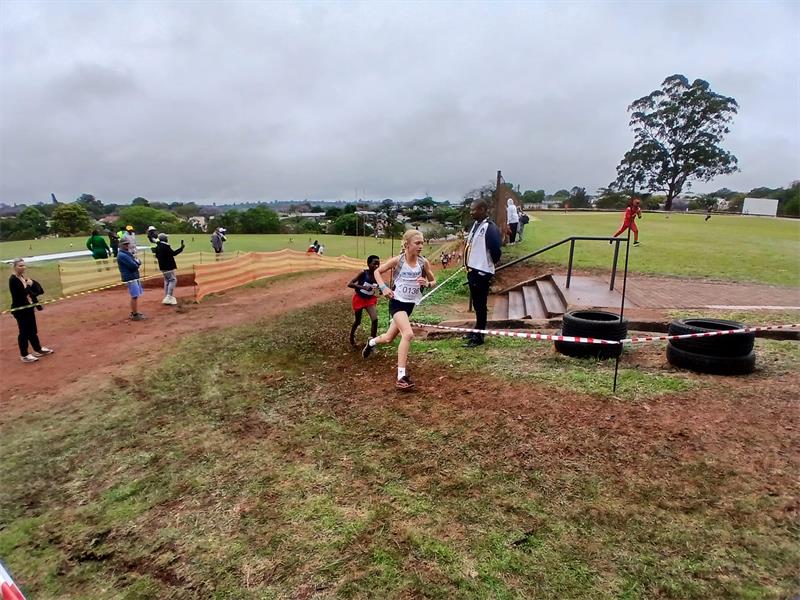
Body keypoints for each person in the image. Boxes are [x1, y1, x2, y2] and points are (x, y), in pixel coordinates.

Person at [362, 230, 436, 390]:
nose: (421, 246)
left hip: (409, 306)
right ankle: (401, 377)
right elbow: (376, 271)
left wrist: (427, 283)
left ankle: (371, 341)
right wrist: (383, 287)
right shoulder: (398, 261)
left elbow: (433, 280)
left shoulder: (423, 263)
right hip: (396, 303)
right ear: (407, 245)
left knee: (389, 338)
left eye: (422, 242)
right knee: (408, 334)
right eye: (417, 243)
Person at [464, 199, 502, 348]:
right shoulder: (476, 225)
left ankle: (479, 336)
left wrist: (486, 265)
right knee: (476, 304)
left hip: (481, 272)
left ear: (482, 209)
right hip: (472, 270)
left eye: (473, 209)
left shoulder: (489, 228)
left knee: (480, 304)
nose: (471, 212)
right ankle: (476, 330)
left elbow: (496, 251)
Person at [8, 258, 53, 363]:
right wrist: (31, 285)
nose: (23, 267)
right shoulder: (13, 280)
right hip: (20, 310)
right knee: (24, 332)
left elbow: (36, 291)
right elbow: (23, 294)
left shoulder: (23, 278)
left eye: (24, 265)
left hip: (28, 308)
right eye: (20, 266)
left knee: (32, 330)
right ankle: (24, 355)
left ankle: (38, 349)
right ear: (14, 267)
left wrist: (32, 284)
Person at [347, 255, 380, 346]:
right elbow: (349, 284)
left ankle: (372, 343)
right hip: (359, 299)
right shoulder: (363, 273)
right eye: (374, 264)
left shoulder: (378, 275)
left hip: (370, 300)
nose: (376, 266)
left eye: (378, 264)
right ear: (368, 264)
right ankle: (351, 336)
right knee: (358, 321)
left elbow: (379, 285)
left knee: (375, 319)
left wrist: (381, 289)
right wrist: (363, 287)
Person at [117, 238, 146, 320]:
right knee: (135, 295)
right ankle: (134, 314)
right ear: (120, 245)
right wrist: (138, 262)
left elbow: (134, 263)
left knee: (135, 295)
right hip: (130, 277)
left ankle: (135, 312)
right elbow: (133, 266)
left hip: (133, 276)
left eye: (127, 244)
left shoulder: (126, 253)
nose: (127, 245)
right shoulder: (122, 255)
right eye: (125, 244)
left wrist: (136, 262)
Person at [154, 233, 185, 305]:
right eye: (166, 238)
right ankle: (169, 296)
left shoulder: (158, 246)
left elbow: (157, 256)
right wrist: (181, 248)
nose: (167, 239)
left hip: (162, 267)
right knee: (173, 280)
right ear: (164, 239)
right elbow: (173, 253)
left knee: (167, 281)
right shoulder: (165, 246)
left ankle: (167, 297)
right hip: (168, 267)